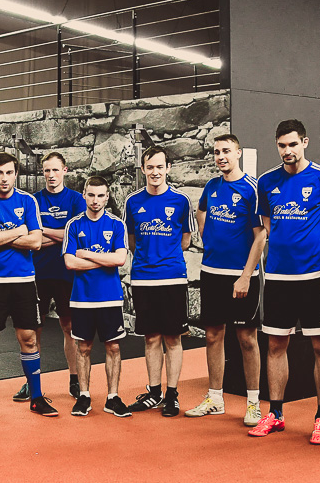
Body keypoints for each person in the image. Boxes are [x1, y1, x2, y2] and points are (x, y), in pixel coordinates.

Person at [251, 119, 320, 443]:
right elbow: (266, 225)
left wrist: (314, 252)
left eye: (292, 144)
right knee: (276, 344)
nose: (287, 151)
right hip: (277, 275)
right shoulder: (266, 181)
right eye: (281, 145)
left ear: (305, 142)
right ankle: (275, 413)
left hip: (314, 275)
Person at [0, 152, 57, 419]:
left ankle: (37, 397)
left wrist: (2, 235)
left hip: (24, 282)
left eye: (9, 172)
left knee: (29, 339)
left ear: (15, 174)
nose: (4, 178)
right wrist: (20, 230)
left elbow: (36, 242)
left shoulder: (28, 200)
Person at [190, 133, 266, 426]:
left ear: (238, 153)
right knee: (213, 335)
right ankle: (215, 398)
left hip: (241, 276)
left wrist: (246, 275)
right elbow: (201, 211)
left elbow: (261, 235)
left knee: (247, 338)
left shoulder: (252, 189)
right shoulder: (212, 185)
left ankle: (253, 403)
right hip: (212, 273)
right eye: (216, 151)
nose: (221, 156)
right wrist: (208, 238)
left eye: (226, 151)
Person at [123, 146, 195, 417]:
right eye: (149, 167)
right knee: (151, 337)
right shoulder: (132, 202)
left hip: (173, 278)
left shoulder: (181, 201)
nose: (155, 172)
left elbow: (185, 240)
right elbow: (131, 241)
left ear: (168, 168)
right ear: (143, 170)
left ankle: (172, 395)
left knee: (173, 338)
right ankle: (153, 392)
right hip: (143, 279)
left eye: (159, 167)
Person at [17, 152, 86, 403]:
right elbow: (31, 240)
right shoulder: (33, 200)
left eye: (55, 170)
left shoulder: (77, 200)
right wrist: (56, 235)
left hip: (67, 273)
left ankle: (75, 380)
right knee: (33, 330)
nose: (51, 175)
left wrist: (42, 232)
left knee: (69, 328)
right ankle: (31, 383)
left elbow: (74, 237)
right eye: (46, 171)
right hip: (37, 273)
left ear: (64, 171)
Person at [63, 175, 131, 417]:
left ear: (107, 197)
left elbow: (120, 259)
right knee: (84, 347)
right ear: (84, 195)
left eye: (101, 195)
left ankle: (113, 397)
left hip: (109, 297)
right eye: (91, 194)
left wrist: (86, 255)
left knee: (113, 346)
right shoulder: (74, 225)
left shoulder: (116, 224)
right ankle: (84, 396)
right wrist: (104, 261)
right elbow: (70, 263)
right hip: (81, 297)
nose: (95, 200)